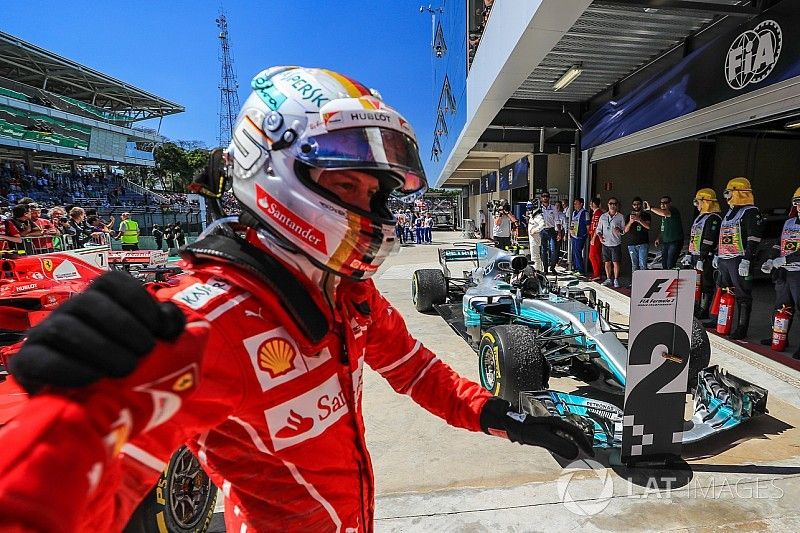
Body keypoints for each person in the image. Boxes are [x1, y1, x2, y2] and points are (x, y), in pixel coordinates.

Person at [0, 66, 591, 532]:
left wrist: (507, 419)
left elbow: (417, 372)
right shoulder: (209, 323)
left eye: (373, 188)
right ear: (273, 170)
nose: (365, 205)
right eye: (343, 182)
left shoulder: (347, 294)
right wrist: (63, 406)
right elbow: (42, 491)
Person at [703, 177, 763, 339]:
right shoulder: (730, 212)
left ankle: (741, 327)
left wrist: (747, 259)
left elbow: (754, 237)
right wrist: (718, 255)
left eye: (729, 192)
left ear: (739, 192)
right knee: (722, 290)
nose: (727, 196)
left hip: (739, 259)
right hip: (724, 259)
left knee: (742, 295)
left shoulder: (750, 211)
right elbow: (723, 236)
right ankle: (719, 321)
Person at [760, 187, 800, 358]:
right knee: (781, 306)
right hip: (784, 272)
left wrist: (786, 260)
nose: (799, 206)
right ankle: (778, 336)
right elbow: (779, 243)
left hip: (798, 272)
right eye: (797, 202)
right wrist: (771, 259)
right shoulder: (789, 222)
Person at [680, 189, 722, 319]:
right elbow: (694, 236)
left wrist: (702, 257)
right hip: (695, 255)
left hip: (706, 256)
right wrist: (688, 253)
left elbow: (709, 239)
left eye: (697, 202)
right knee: (696, 284)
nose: (696, 205)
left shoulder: (713, 218)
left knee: (706, 283)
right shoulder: (700, 217)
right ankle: (696, 307)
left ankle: (704, 310)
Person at [644, 195, 683, 269]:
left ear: (670, 203)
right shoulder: (663, 216)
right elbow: (663, 228)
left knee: (670, 264)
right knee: (664, 263)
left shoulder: (672, 210)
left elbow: (664, 213)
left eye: (665, 202)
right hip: (666, 242)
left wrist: (651, 208)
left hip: (675, 241)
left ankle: (672, 278)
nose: (662, 204)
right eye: (661, 202)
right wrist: (658, 238)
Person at [595, 197, 625, 288]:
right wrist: (600, 236)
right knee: (607, 262)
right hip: (605, 243)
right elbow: (598, 229)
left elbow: (624, 230)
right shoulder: (603, 216)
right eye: (611, 203)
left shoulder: (620, 216)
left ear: (617, 205)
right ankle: (608, 279)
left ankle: (616, 279)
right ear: (608, 205)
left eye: (615, 204)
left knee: (616, 262)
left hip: (615, 243)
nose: (613, 205)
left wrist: (619, 230)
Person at [623, 197, 651, 274]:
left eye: (638, 204)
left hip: (643, 243)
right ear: (632, 205)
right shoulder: (629, 216)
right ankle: (635, 284)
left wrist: (638, 219)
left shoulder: (646, 215)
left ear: (641, 205)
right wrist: (631, 222)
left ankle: (643, 284)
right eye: (634, 204)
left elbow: (648, 226)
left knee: (643, 265)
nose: (636, 206)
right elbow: (625, 230)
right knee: (634, 265)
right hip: (631, 243)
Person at [568, 197, 590, 274]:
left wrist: (586, 234)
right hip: (574, 235)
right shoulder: (574, 212)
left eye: (576, 203)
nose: (574, 205)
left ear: (581, 204)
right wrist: (570, 232)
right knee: (574, 252)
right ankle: (575, 267)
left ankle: (580, 269)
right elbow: (572, 223)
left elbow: (588, 225)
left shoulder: (585, 213)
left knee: (578, 252)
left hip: (580, 235)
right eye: (574, 204)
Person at [539, 192, 558, 274]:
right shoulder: (539, 208)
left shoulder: (553, 208)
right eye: (543, 196)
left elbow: (557, 220)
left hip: (551, 230)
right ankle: (545, 269)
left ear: (549, 198)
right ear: (541, 198)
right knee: (544, 250)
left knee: (553, 249)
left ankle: (552, 267)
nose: (545, 198)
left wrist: (559, 232)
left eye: (546, 196)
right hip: (542, 230)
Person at [525, 200, 545, 271]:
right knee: (534, 255)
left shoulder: (538, 216)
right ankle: (537, 270)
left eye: (530, 208)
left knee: (535, 256)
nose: (529, 209)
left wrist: (535, 230)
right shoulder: (533, 216)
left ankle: (537, 271)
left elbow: (543, 225)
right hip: (532, 238)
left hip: (536, 238)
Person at [588, 197, 604, 281]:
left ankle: (597, 273)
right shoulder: (596, 213)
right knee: (597, 255)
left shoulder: (598, 213)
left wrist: (593, 238)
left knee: (592, 255)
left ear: (594, 204)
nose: (590, 205)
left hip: (596, 237)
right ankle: (597, 273)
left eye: (591, 203)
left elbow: (597, 227)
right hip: (595, 236)